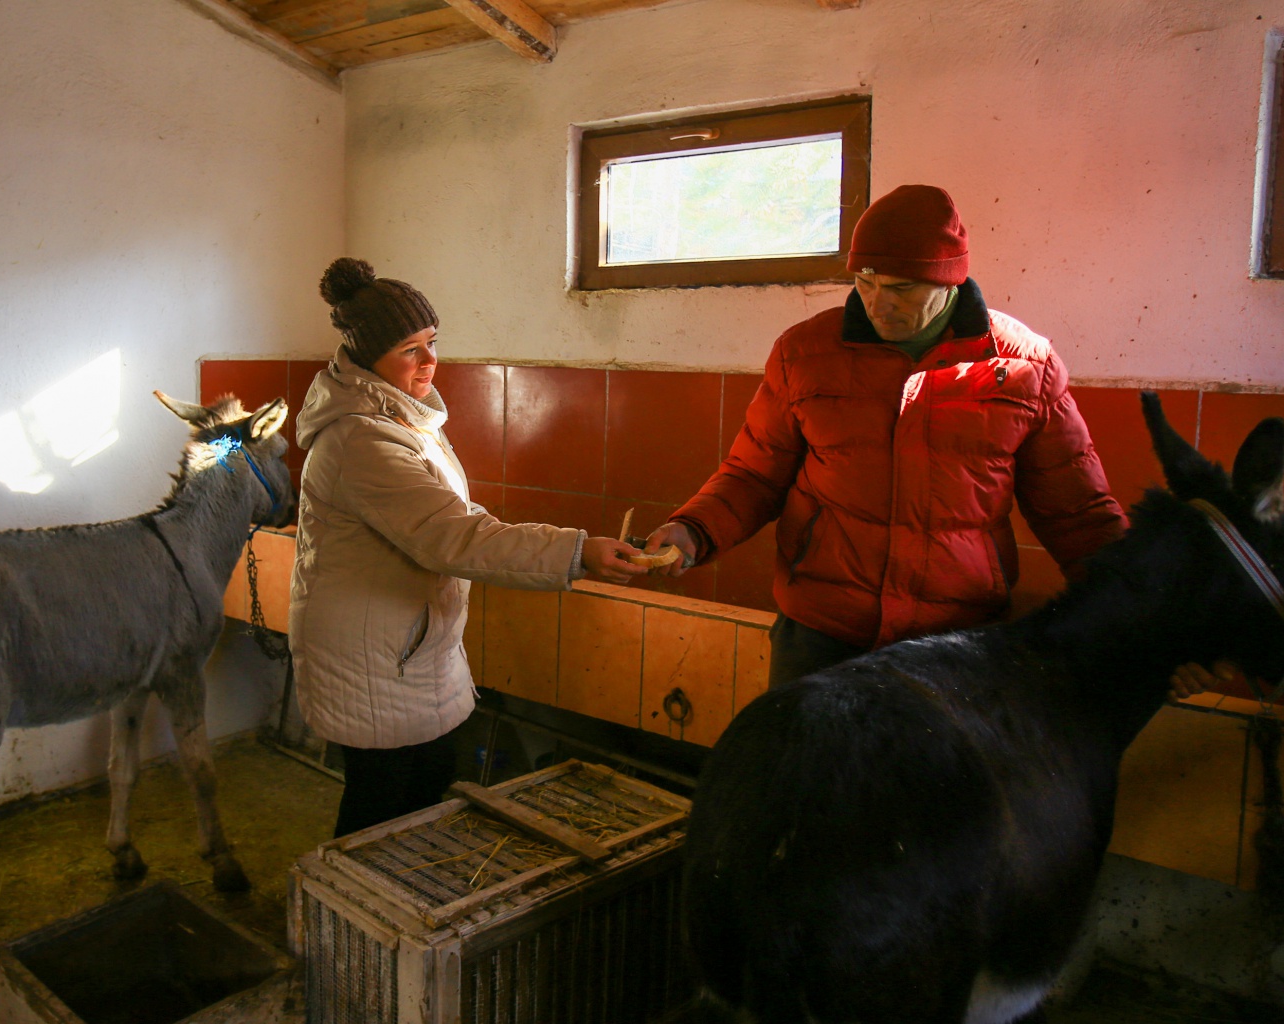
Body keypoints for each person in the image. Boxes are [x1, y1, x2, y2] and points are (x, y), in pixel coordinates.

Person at [646, 185, 1231, 699]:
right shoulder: (805, 353)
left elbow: (1079, 514)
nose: (878, 303)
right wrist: (692, 531)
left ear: (951, 280)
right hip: (823, 631)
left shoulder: (1024, 367)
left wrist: (1150, 622)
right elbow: (753, 474)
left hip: (958, 640)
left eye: (901, 288)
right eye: (864, 282)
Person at [289, 258, 647, 838]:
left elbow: (456, 519)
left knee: (420, 792)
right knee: (380, 810)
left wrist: (567, 550)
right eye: (410, 349)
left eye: (431, 342)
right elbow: (454, 536)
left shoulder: (402, 420)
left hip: (407, 645)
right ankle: (348, 916)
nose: (431, 360)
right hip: (375, 657)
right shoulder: (362, 440)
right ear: (367, 356)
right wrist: (576, 554)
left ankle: (392, 912)